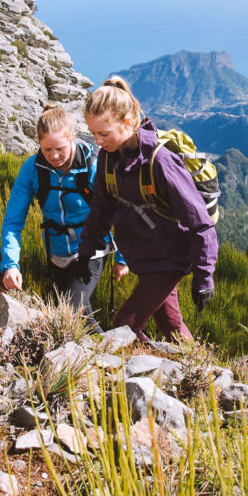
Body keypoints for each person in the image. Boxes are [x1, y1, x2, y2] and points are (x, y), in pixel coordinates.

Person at [75, 77, 218, 341]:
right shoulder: (108, 156)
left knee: (122, 327)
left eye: (103, 133)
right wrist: (85, 253)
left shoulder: (161, 161)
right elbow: (101, 210)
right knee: (171, 326)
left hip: (170, 260)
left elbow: (201, 222)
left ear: (128, 122)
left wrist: (204, 278)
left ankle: (128, 374)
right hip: (145, 257)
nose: (97, 140)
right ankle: (199, 370)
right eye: (93, 132)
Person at [0, 104, 126, 334]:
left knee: (72, 307)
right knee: (68, 312)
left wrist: (122, 257)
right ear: (39, 144)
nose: (54, 156)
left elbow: (122, 211)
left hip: (92, 249)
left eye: (60, 148)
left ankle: (110, 355)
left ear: (73, 139)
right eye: (47, 150)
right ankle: (99, 354)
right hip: (56, 253)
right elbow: (12, 221)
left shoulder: (93, 166)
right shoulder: (32, 169)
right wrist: (11, 264)